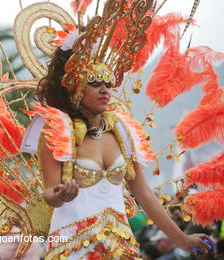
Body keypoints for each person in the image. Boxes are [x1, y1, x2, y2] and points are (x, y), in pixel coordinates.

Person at [32, 27, 213, 259]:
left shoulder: (121, 132)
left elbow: (144, 193)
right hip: (73, 247)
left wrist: (182, 239)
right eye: (95, 83)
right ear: (74, 86)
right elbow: (49, 192)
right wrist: (59, 195)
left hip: (120, 246)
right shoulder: (57, 131)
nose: (104, 90)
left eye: (107, 84)